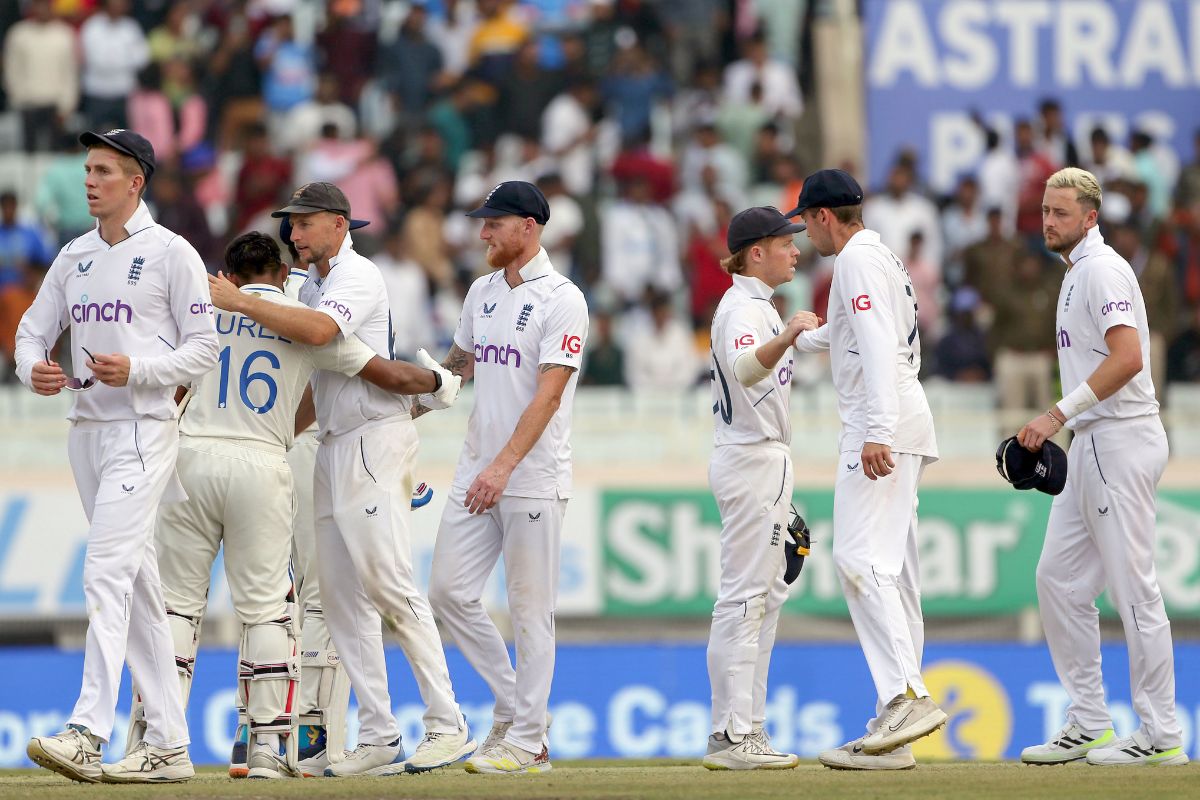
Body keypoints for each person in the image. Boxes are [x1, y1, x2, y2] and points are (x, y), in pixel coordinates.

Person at [130, 230, 459, 779]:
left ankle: (153, 744)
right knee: (267, 610)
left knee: (173, 609)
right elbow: (386, 373)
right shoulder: (301, 322)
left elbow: (169, 387)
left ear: (229, 275)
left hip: (189, 460)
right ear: (284, 276)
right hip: (261, 460)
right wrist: (441, 383)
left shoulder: (202, 310)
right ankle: (265, 751)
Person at [206, 182, 473, 777]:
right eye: (291, 225)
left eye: (302, 224)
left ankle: (447, 722)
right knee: (342, 598)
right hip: (332, 442)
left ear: (337, 223)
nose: (292, 235)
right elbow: (318, 377)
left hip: (375, 440)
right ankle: (378, 732)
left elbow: (322, 336)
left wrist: (239, 301)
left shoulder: (359, 276)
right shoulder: (317, 283)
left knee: (389, 585)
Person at [16, 129, 219, 783]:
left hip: (144, 425)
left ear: (136, 182)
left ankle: (88, 730)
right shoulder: (73, 255)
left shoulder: (171, 254)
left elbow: (205, 349)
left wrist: (138, 369)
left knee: (104, 570)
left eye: (103, 170)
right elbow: (31, 333)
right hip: (87, 430)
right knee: (137, 586)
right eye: (87, 169)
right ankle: (169, 744)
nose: (88, 180)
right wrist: (33, 369)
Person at [1016, 168, 1187, 767]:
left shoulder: (1102, 269)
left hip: (1120, 438)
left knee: (1133, 588)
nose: (1048, 222)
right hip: (1093, 441)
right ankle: (1089, 720)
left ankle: (1162, 733)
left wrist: (1052, 416)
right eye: (1044, 211)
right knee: (1058, 581)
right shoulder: (1074, 273)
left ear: (1091, 217)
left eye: (1061, 213)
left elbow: (1129, 358)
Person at [422, 180, 589, 775]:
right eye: (483, 222)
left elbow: (548, 395)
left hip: (531, 476)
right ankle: (518, 710)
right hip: (477, 467)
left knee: (529, 610)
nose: (484, 232)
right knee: (446, 591)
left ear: (529, 226)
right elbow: (458, 366)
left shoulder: (563, 299)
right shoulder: (481, 290)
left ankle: (527, 743)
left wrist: (504, 466)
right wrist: (404, 405)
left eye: (495, 223)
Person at [788, 169, 946, 770]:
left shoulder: (853, 261)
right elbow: (863, 331)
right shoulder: (879, 254)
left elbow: (878, 341)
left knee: (858, 559)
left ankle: (906, 695)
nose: (805, 232)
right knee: (894, 570)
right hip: (904, 411)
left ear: (825, 216)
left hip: (881, 420)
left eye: (806, 220)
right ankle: (894, 731)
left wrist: (876, 430)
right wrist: (807, 338)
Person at [701, 206, 816, 770]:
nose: (796, 250)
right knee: (745, 597)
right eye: (785, 242)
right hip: (750, 458)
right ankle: (730, 734)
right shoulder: (744, 309)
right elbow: (748, 369)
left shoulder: (757, 307)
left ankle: (749, 727)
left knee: (765, 598)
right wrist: (791, 332)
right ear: (755, 253)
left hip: (764, 460)